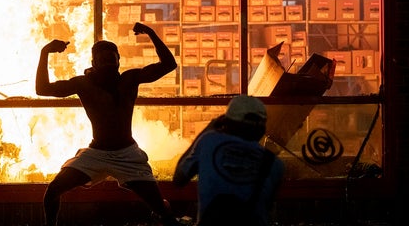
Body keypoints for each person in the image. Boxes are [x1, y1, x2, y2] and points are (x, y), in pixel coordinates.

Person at [36, 22, 181, 226]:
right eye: (103, 61)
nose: (107, 66)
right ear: (94, 64)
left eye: (111, 61)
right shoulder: (83, 84)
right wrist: (45, 52)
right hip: (95, 153)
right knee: (52, 191)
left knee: (160, 208)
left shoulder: (130, 79)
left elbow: (169, 65)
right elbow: (42, 89)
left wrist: (151, 33)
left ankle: (164, 215)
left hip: (128, 155)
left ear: (118, 62)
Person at [173, 95, 285, 226]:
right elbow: (267, 208)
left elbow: (179, 179)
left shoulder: (209, 142)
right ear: (262, 129)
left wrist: (206, 131)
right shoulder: (275, 164)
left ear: (225, 123)